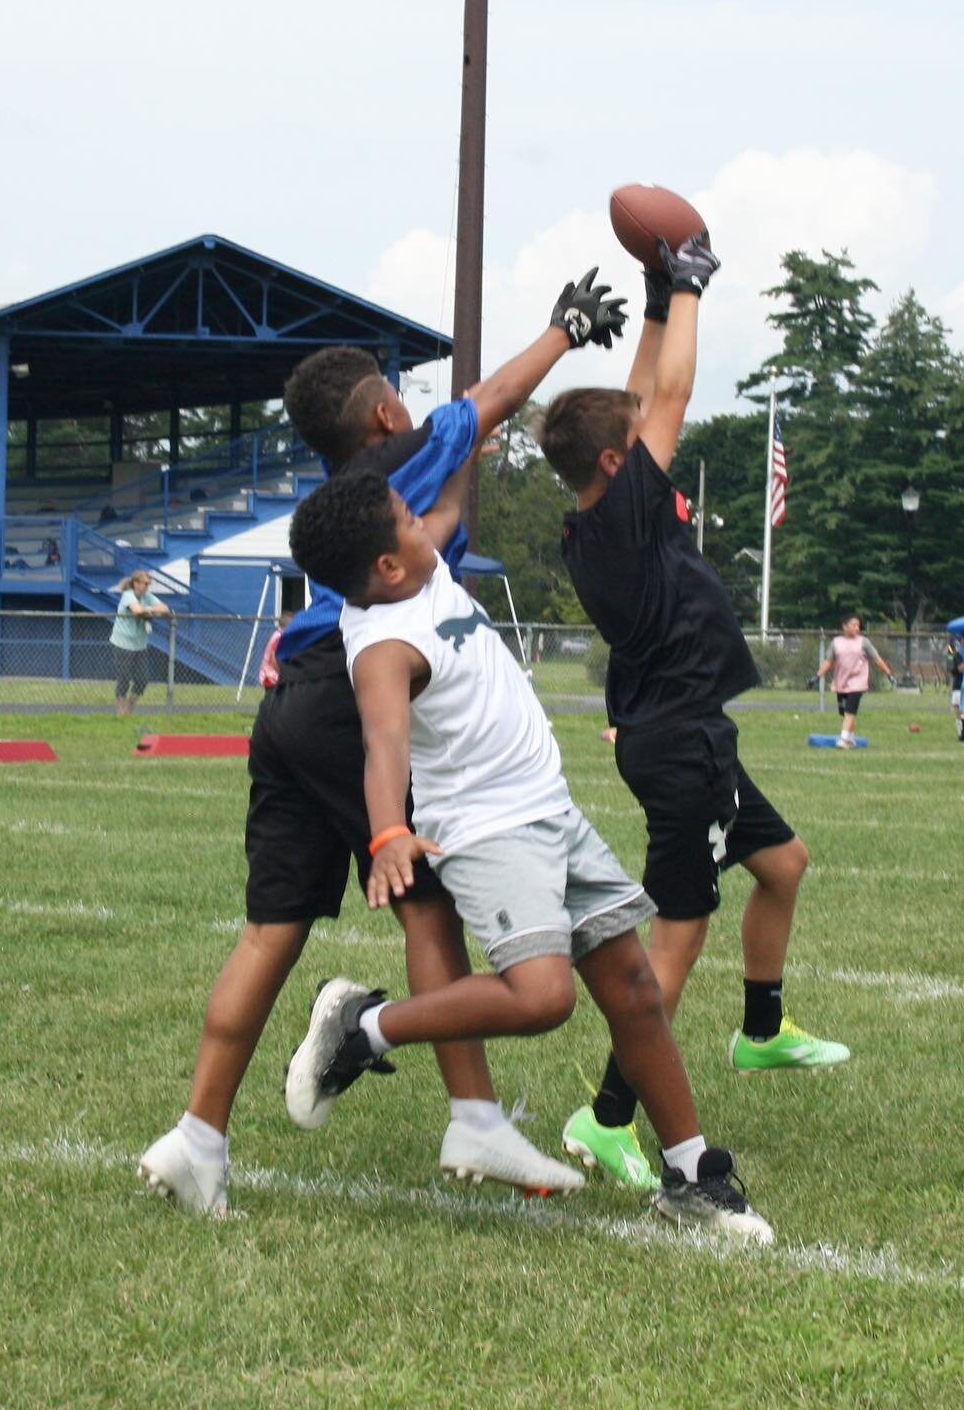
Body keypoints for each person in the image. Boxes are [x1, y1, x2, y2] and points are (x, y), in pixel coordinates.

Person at [138, 270, 625, 1215]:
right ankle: (471, 1114)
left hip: (285, 707)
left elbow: (442, 518)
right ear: (385, 413)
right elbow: (489, 404)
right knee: (429, 901)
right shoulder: (391, 462)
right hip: (344, 702)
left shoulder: (341, 502)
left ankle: (197, 1138)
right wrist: (564, 330)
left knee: (270, 930)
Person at [283, 466, 774, 1242]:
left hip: (552, 810)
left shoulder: (422, 571)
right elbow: (383, 745)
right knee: (545, 997)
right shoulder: (381, 643)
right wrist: (385, 835)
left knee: (637, 992)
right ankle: (365, 1025)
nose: (427, 525)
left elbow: (444, 500)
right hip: (489, 832)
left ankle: (690, 1178)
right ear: (385, 565)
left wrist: (484, 430)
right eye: (408, 520)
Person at [534, 234, 848, 1192]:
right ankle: (607, 1118)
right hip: (682, 745)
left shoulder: (603, 509)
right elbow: (665, 400)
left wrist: (652, 302)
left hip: (681, 731)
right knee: (671, 944)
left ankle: (760, 1029)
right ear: (616, 459)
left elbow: (636, 403)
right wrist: (689, 285)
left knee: (783, 866)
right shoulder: (626, 511)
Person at [813, 614, 894, 749]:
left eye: (858, 625)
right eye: (853, 625)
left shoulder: (863, 642)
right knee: (845, 712)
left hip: (858, 683)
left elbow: (877, 658)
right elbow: (829, 662)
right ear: (844, 626)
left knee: (850, 712)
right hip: (841, 682)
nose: (857, 628)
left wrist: (889, 674)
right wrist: (817, 676)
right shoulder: (836, 642)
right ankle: (851, 739)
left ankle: (843, 739)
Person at [110, 570, 171, 716]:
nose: (147, 587)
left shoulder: (147, 597)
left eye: (149, 584)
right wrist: (151, 611)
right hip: (123, 644)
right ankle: (120, 712)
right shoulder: (128, 595)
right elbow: (137, 610)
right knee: (124, 678)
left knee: (143, 679)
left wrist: (149, 609)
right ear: (136, 584)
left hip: (140, 645)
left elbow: (165, 609)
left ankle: (129, 709)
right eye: (145, 583)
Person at [947, 640, 964, 737]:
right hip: (958, 685)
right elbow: (953, 666)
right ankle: (961, 732)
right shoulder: (955, 652)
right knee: (958, 710)